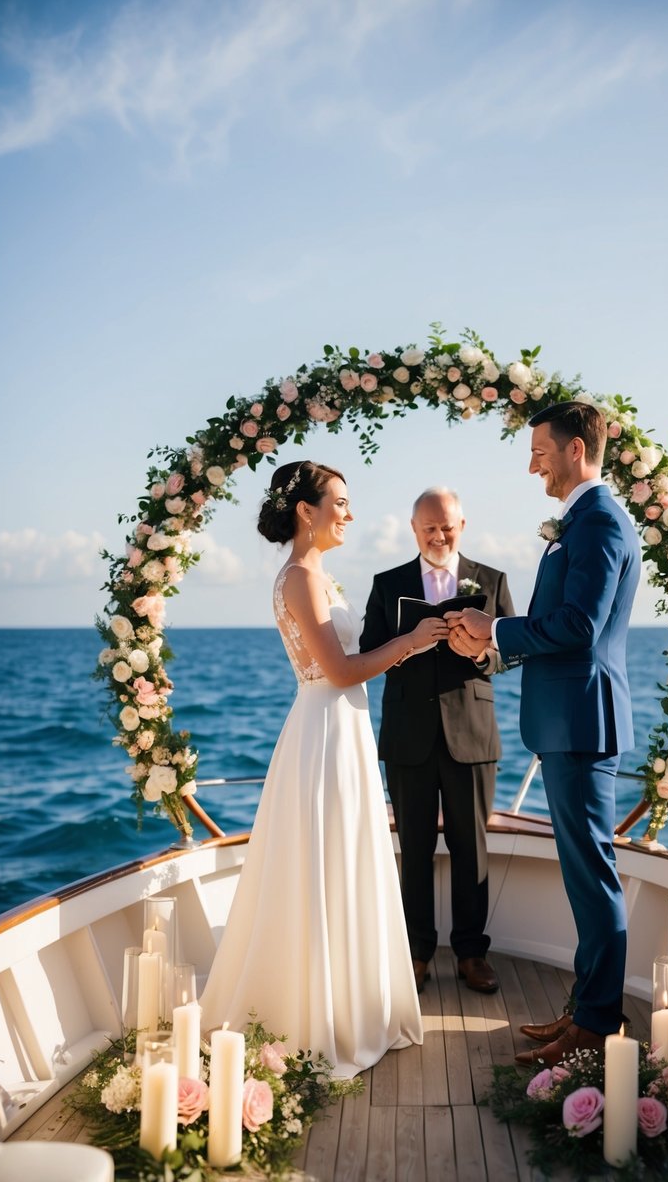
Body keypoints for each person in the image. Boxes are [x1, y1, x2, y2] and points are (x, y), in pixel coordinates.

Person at [200, 460, 449, 1078]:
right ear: (305, 511)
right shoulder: (301, 579)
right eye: (339, 501)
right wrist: (412, 642)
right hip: (324, 729)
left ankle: (349, 1001)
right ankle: (319, 1014)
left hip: (343, 728)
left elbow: (348, 661)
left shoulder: (318, 575)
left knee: (346, 858)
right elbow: (338, 671)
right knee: (325, 860)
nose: (349, 512)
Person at [446, 401, 640, 1065]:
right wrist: (492, 639)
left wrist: (496, 629)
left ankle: (596, 1027)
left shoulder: (599, 521)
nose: (531, 464)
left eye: (539, 451)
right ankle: (583, 1011)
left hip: (582, 721)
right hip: (567, 721)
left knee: (592, 877)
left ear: (575, 451)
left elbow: (579, 627)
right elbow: (561, 623)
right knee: (583, 877)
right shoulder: (581, 521)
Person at [359, 488, 514, 996]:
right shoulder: (388, 585)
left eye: (446, 526)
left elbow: (511, 654)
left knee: (473, 849)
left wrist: (478, 653)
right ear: (413, 528)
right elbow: (367, 653)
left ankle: (472, 953)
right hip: (408, 736)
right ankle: (417, 953)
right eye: (429, 528)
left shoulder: (491, 580)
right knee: (416, 848)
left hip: (472, 732)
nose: (439, 535)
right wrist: (410, 643)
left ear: (462, 525)